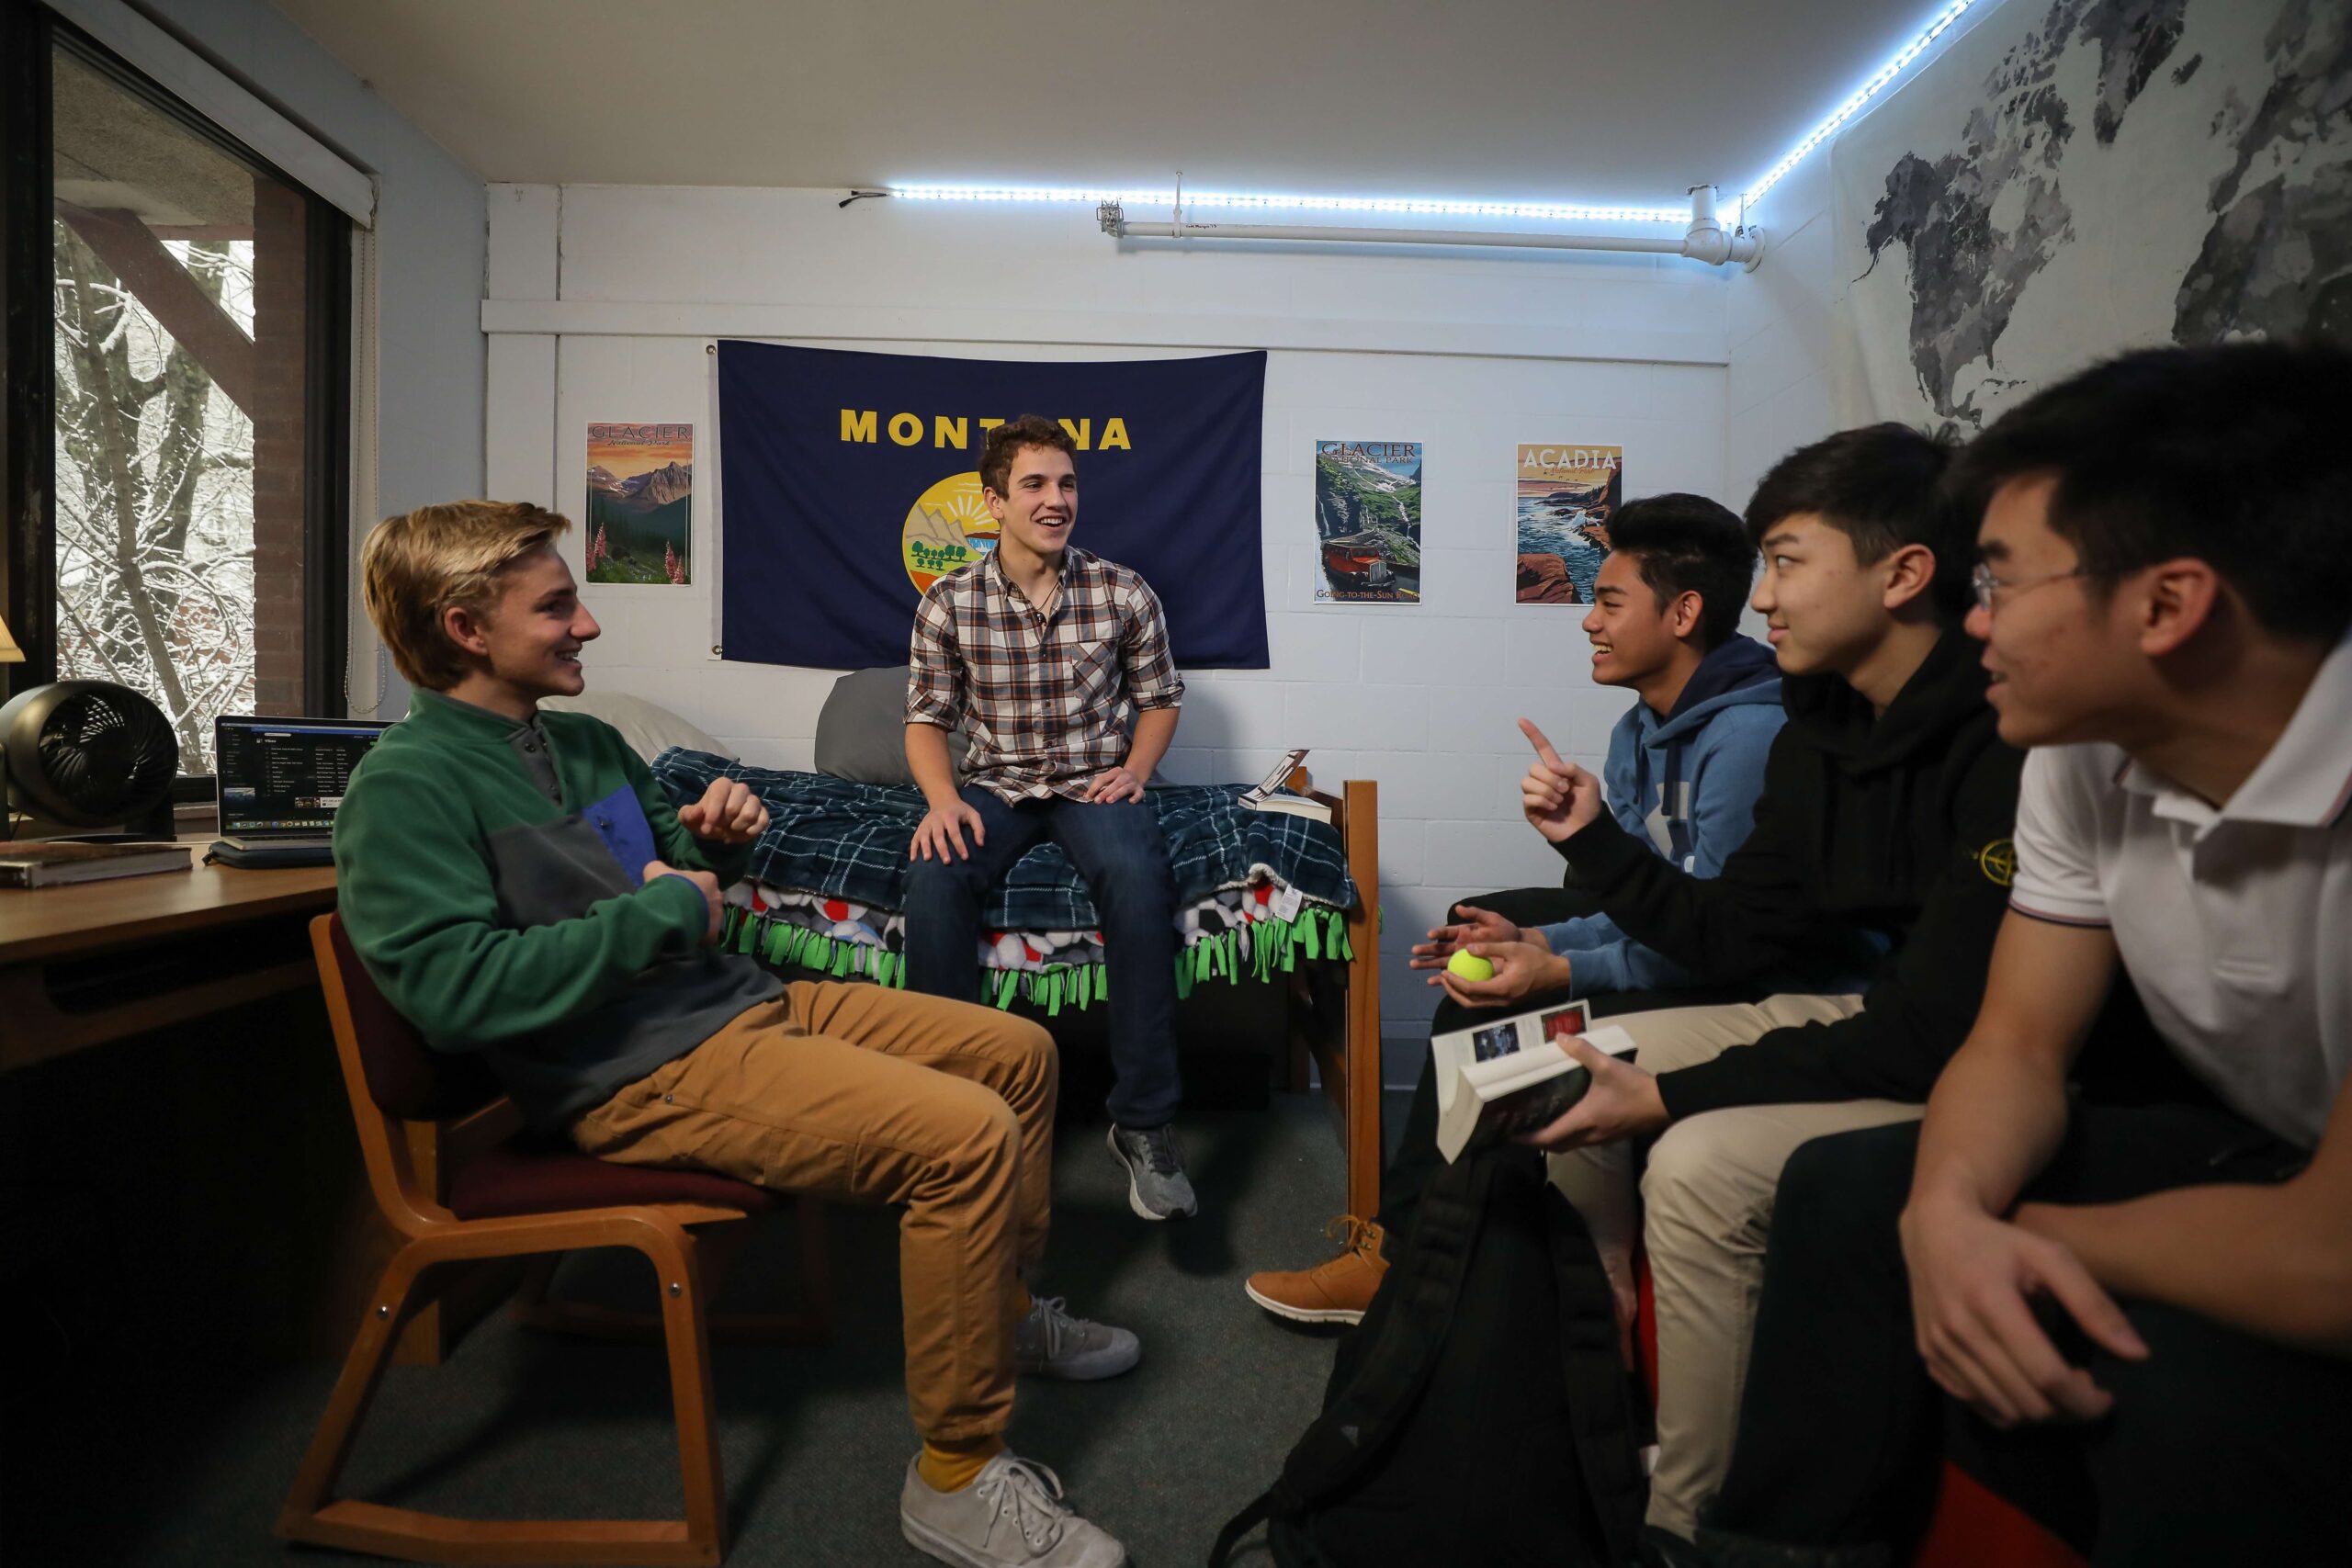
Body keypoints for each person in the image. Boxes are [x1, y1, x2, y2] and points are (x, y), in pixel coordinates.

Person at [336, 500, 1134, 1568]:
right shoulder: (404, 788)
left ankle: (1003, 1309)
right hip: (634, 1071)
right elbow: (454, 991)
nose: (588, 627)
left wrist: (714, 842)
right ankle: (952, 1477)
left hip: (731, 1002)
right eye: (558, 606)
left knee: (1017, 1052)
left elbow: (671, 872)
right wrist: (666, 906)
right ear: (466, 630)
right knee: (966, 1138)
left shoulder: (581, 742)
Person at [1702, 342, 2352, 1568]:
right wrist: (1945, 1203)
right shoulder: (2079, 750)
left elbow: (2334, 1252)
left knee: (2193, 1396)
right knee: (1852, 1188)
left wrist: (1988, 1231)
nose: (1974, 620)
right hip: (2270, 1138)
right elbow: (2012, 1042)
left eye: (1998, 581)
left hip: (2324, 1199)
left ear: (2167, 602)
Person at [1458, 423, 2021, 1551]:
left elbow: (1918, 1015)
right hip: (1845, 1008)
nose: (1762, 600)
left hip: (1900, 1028)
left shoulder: (1994, 734)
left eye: (1788, 561)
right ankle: (1567, 1361)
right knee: (1525, 1063)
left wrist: (1663, 1088)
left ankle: (1680, 1525)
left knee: (1703, 1160)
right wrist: (1591, 841)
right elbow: (1731, 929)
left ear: (1903, 572)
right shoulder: (1819, 725)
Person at [1243, 492, 1788, 1328]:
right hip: (1688, 941)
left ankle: (1407, 1261)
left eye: (1608, 602)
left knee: (1507, 997)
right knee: (1485, 930)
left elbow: (1709, 935)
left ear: (1683, 613)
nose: (1587, 622)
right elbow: (1647, 899)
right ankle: (1412, 1251)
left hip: (1744, 981)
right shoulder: (1639, 728)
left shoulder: (1748, 740)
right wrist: (1534, 936)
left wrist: (1559, 961)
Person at [900, 415, 1195, 1223]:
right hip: (993, 785)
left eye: (1066, 483)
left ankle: (1142, 1122)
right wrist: (942, 802)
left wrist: (1134, 772)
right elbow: (926, 719)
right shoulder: (949, 602)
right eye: (1034, 484)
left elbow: (1161, 699)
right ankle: (946, 1106)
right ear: (994, 501)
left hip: (1091, 781)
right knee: (932, 874)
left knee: (1139, 877)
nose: (1056, 499)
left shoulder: (1122, 590)